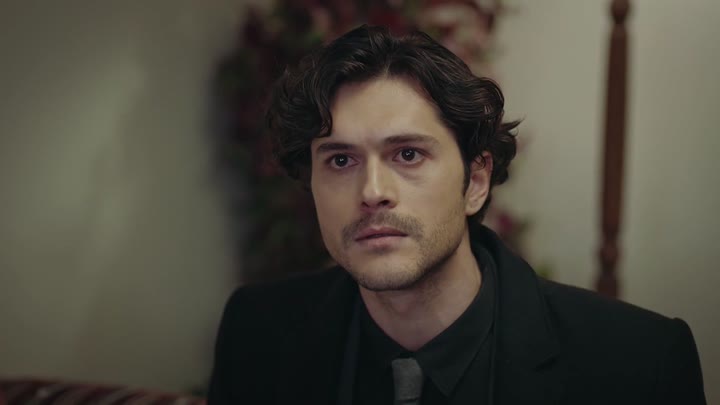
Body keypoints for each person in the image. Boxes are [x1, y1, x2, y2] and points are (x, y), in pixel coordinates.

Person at [207, 25, 705, 405]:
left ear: (476, 181)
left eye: (407, 155)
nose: (373, 192)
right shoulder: (258, 331)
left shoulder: (640, 362)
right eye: (340, 161)